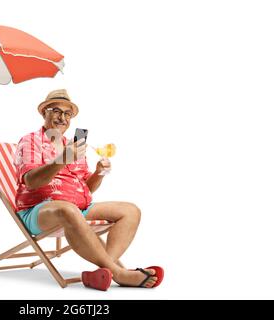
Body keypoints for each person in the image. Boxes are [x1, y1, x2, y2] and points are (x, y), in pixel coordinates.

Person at [14, 89, 163, 289]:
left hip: (79, 208)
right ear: (44, 113)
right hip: (40, 210)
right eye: (56, 110)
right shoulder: (30, 141)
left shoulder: (75, 146)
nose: (62, 117)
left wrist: (98, 173)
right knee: (68, 209)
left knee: (130, 211)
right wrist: (63, 159)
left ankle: (104, 272)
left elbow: (87, 188)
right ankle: (120, 273)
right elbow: (31, 181)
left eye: (68, 114)